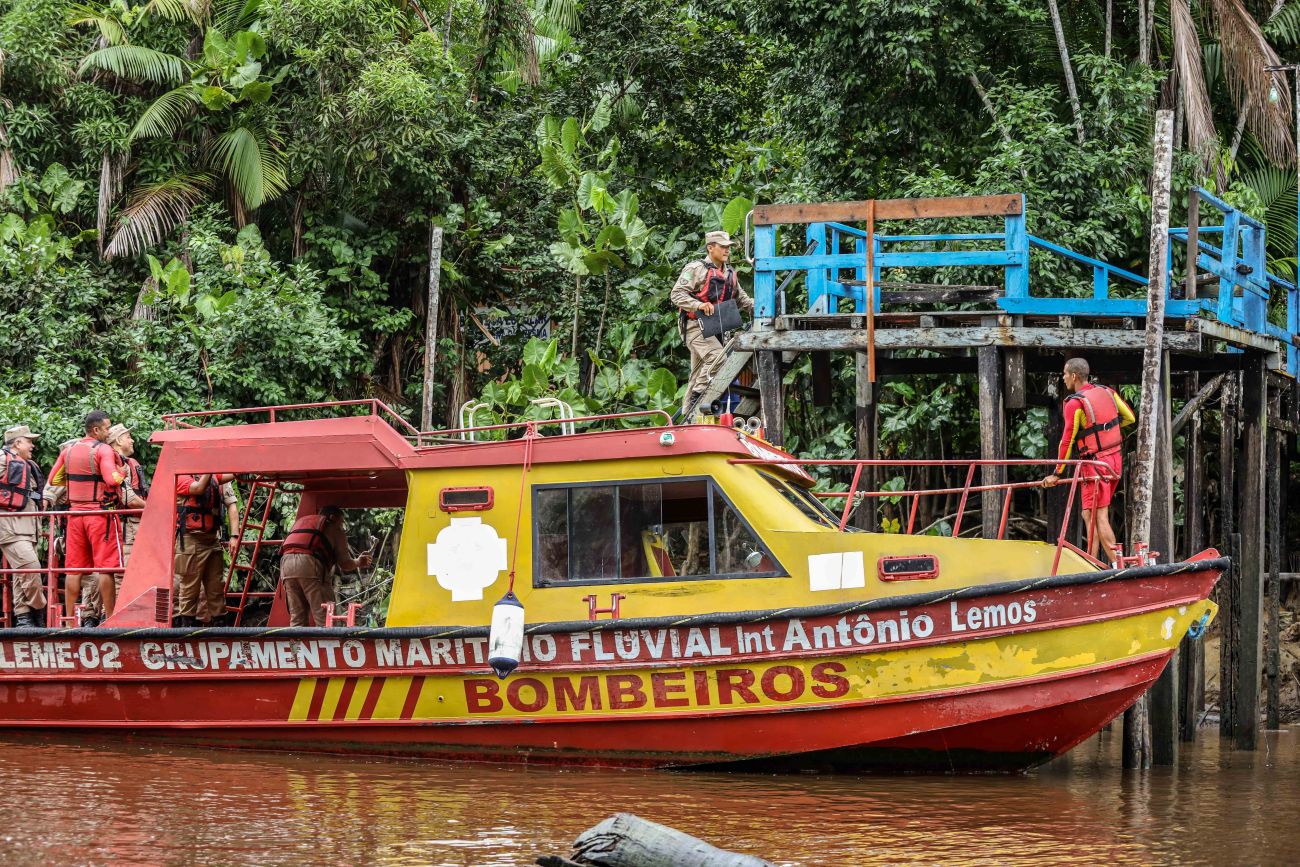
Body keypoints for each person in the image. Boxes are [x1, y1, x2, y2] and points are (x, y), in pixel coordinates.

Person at [1042, 357, 1136, 564]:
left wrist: (1057, 473)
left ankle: (1120, 567)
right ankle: (1091, 562)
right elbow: (1130, 418)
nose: (1064, 378)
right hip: (1114, 461)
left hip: (1094, 466)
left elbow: (1066, 441)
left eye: (1065, 374)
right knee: (1088, 514)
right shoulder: (1107, 392)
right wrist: (1106, 430)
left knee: (1099, 515)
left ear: (1074, 376)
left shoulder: (1075, 403)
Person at [48, 411, 125, 625]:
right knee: (106, 568)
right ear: (96, 430)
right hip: (99, 516)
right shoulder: (103, 450)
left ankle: (70, 620)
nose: (109, 432)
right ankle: (110, 619)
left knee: (74, 569)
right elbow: (112, 479)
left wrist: (76, 483)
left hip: (74, 516)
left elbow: (54, 479)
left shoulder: (68, 450)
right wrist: (123, 472)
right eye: (107, 428)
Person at [671, 230, 755, 407]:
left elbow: (742, 300)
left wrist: (763, 306)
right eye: (723, 247)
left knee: (697, 373)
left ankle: (688, 415)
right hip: (695, 326)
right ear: (710, 248)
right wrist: (698, 305)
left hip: (717, 328)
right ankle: (698, 396)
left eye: (728, 247)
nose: (727, 251)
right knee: (718, 359)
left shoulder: (730, 273)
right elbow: (676, 294)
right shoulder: (696, 268)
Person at [280, 506, 372, 627]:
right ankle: (329, 643)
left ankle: (296, 645)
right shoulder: (334, 528)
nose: (342, 525)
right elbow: (345, 564)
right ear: (333, 517)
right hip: (309, 564)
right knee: (325, 617)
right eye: (341, 522)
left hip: (285, 565)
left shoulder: (302, 523)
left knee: (297, 617)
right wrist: (359, 562)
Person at [173, 472, 238, 628]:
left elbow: (234, 474)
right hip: (191, 540)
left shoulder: (214, 476)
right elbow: (198, 488)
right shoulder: (181, 477)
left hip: (212, 539)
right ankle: (186, 633)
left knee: (216, 589)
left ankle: (220, 632)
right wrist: (210, 467)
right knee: (189, 591)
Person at [0, 426, 47, 628]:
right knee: (31, 568)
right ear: (17, 443)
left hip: (29, 527)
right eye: (29, 441)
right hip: (10, 526)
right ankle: (39, 609)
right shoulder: (3, 459)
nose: (33, 445)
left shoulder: (27, 464)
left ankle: (24, 618)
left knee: (22, 576)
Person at [106, 424, 149, 568]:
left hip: (134, 525)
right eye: (128, 437)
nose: (132, 441)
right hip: (127, 527)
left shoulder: (126, 462)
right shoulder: (116, 463)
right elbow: (127, 498)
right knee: (125, 573)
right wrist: (154, 508)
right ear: (118, 441)